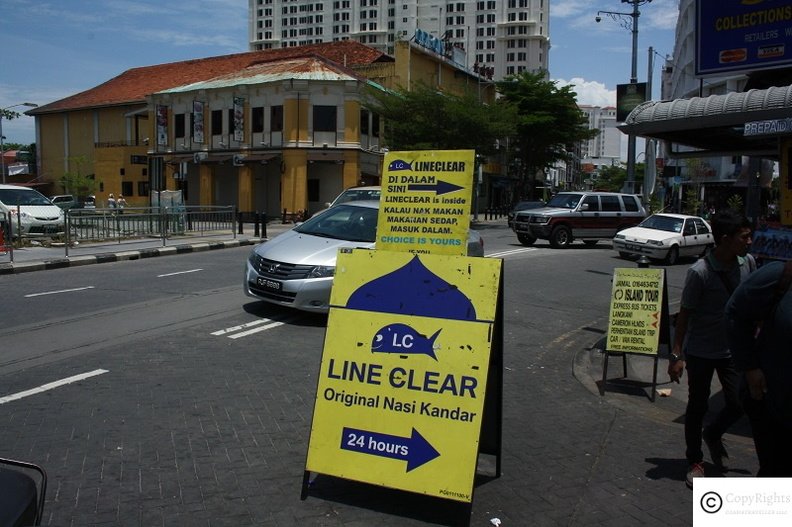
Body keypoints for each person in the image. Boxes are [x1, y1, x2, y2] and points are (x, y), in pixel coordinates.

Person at [667, 209, 755, 488]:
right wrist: (677, 355)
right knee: (697, 406)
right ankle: (695, 460)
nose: (750, 241)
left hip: (732, 351)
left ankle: (713, 433)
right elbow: (684, 316)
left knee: (739, 403)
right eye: (744, 237)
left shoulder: (747, 263)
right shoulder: (700, 272)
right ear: (726, 239)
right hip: (701, 351)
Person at [726, 260, 792, 476]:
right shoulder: (780, 275)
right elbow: (735, 312)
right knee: (775, 472)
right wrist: (750, 367)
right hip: (772, 399)